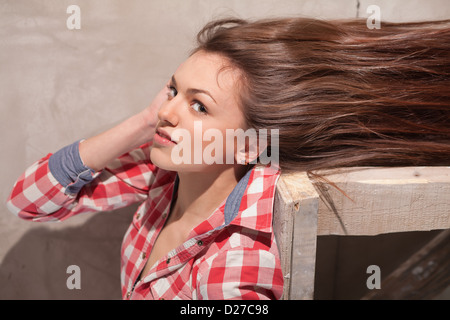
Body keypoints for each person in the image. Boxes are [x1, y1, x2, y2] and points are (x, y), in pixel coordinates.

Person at [7, 17, 450, 300]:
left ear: (248, 146)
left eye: (199, 106)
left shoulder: (238, 256)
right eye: (173, 90)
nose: (169, 111)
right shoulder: (162, 174)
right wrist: (143, 121)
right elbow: (28, 202)